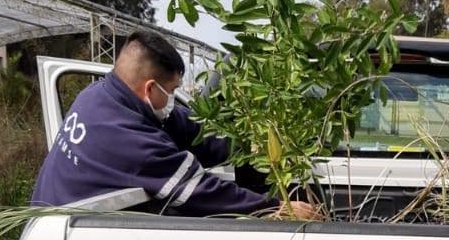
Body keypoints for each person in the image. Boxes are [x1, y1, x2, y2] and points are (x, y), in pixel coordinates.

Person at [31, 28, 318, 219]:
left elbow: (184, 124)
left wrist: (242, 143)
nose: (172, 98)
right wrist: (276, 208)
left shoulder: (98, 96)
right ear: (150, 88)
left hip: (56, 225)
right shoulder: (128, 139)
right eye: (172, 90)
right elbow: (199, 191)